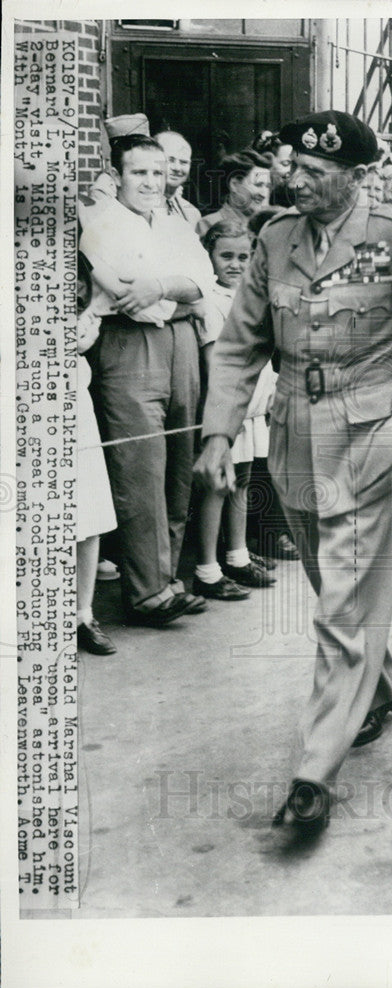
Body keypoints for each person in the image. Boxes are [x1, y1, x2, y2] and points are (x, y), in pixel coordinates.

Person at [195, 110, 392, 840]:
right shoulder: (274, 237)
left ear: (354, 175)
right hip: (292, 432)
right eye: (295, 169)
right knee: (328, 581)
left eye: (317, 174)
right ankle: (380, 685)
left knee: (340, 603)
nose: (298, 182)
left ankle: (314, 772)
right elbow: (237, 346)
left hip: (370, 437)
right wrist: (219, 431)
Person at [80, 129, 217, 626]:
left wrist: (162, 285)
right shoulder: (100, 224)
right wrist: (174, 289)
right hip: (129, 346)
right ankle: (147, 593)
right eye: (139, 172)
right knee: (139, 466)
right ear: (116, 176)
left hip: (179, 344)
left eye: (158, 173)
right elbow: (122, 293)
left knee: (179, 464)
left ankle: (167, 581)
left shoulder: (176, 224)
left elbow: (202, 284)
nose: (151, 182)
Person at [193, 220, 276, 599]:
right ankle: (207, 569)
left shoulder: (252, 294)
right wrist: (228, 412)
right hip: (229, 411)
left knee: (243, 478)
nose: (235, 264)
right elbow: (218, 364)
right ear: (209, 255)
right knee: (216, 486)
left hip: (255, 406)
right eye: (225, 255)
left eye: (244, 257)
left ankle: (237, 554)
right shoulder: (210, 300)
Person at [76, 251, 118, 655]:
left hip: (75, 408)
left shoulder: (78, 270)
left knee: (88, 517)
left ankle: (82, 615)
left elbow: (83, 335)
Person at [196, 150, 272, 238]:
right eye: (258, 185)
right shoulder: (208, 225)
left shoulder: (267, 228)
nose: (264, 194)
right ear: (234, 184)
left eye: (268, 186)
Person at [154, 130, 201, 227]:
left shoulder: (193, 214)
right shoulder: (140, 208)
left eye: (184, 162)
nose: (177, 168)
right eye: (170, 160)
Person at [249, 130, 295, 208]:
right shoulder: (253, 196)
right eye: (286, 164)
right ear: (267, 160)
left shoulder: (293, 197)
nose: (292, 171)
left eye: (295, 165)